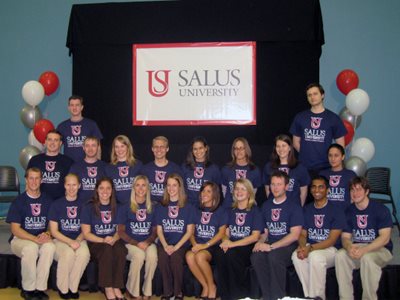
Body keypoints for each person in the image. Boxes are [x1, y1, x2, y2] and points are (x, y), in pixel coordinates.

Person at [335, 176, 393, 300]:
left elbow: (385, 238)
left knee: (367, 258)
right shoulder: (348, 211)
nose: (355, 193)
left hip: (380, 249)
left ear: (367, 191)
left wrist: (365, 250)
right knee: (340, 255)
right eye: (352, 190)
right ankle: (345, 298)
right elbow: (345, 237)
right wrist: (349, 246)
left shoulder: (381, 209)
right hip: (358, 247)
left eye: (359, 189)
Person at [251, 170, 303, 300]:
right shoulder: (266, 206)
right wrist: (260, 242)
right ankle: (267, 296)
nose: (275, 187)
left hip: (289, 245)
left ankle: (278, 297)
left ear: (286, 186)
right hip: (272, 243)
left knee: (274, 256)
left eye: (279, 184)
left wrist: (272, 247)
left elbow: (295, 235)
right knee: (256, 256)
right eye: (273, 184)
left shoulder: (294, 206)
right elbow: (265, 233)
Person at [291, 176, 345, 300]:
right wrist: (303, 247)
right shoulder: (307, 209)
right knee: (296, 256)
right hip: (311, 247)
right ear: (310, 190)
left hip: (331, 250)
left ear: (328, 190)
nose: (317, 190)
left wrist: (310, 249)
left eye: (321, 187)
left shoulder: (336, 210)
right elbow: (303, 234)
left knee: (315, 257)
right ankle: (310, 296)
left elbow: (331, 240)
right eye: (314, 187)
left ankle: (318, 297)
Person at [6, 167, 55, 300]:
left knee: (50, 247)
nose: (34, 181)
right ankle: (28, 289)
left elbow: (51, 226)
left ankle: (40, 288)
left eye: (37, 178)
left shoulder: (48, 200)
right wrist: (34, 239)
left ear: (42, 180)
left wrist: (48, 234)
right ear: (26, 180)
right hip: (20, 240)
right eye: (31, 178)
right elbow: (15, 229)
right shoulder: (18, 202)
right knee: (31, 248)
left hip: (40, 238)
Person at [214, 178, 263, 300]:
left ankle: (239, 295)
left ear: (249, 193)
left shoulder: (255, 211)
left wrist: (232, 244)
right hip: (232, 245)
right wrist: (226, 241)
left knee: (231, 255)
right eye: (237, 189)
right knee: (220, 254)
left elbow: (255, 236)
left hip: (247, 246)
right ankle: (225, 295)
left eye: (243, 189)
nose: (239, 191)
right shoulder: (230, 210)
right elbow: (225, 232)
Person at [81, 177, 127, 300]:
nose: (105, 191)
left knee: (121, 251)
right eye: (101, 188)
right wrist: (103, 240)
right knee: (106, 250)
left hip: (113, 240)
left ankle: (116, 286)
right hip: (96, 242)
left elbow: (120, 230)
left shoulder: (118, 207)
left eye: (108, 188)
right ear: (96, 190)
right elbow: (86, 233)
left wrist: (114, 238)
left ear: (112, 190)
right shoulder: (88, 207)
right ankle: (107, 287)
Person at [290, 83, 347, 176]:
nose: (312, 97)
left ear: (322, 95)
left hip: (326, 167)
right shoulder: (300, 117)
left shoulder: (333, 118)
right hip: (304, 167)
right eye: (309, 95)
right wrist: (307, 155)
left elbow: (341, 145)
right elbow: (296, 142)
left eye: (315, 94)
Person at [48, 173, 90, 299]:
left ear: (79, 186)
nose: (71, 188)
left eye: (74, 185)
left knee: (84, 254)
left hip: (79, 238)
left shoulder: (85, 205)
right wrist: (69, 242)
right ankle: (63, 288)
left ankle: (73, 287)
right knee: (68, 254)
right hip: (60, 240)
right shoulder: (56, 204)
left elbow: (87, 228)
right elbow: (54, 231)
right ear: (64, 186)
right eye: (68, 185)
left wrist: (77, 240)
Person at [155, 174, 195, 300]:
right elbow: (159, 230)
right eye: (168, 185)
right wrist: (166, 246)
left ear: (179, 187)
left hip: (181, 244)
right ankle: (168, 292)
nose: (171, 188)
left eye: (174, 185)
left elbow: (189, 232)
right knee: (162, 258)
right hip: (164, 243)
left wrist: (176, 247)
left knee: (176, 259)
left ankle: (178, 292)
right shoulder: (161, 206)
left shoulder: (188, 206)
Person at [117, 175, 157, 300]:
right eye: (137, 185)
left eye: (143, 185)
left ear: (148, 188)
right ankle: (132, 292)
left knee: (152, 256)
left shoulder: (153, 206)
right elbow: (121, 231)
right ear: (133, 187)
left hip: (148, 242)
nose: (140, 188)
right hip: (130, 244)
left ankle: (147, 291)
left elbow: (155, 232)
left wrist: (146, 242)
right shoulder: (125, 206)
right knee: (139, 256)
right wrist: (136, 243)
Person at [186, 182, 227, 300]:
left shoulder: (221, 211)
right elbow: (191, 232)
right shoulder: (195, 209)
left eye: (208, 191)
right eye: (203, 191)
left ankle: (212, 286)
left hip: (212, 245)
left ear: (215, 194)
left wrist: (205, 245)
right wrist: (195, 244)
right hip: (197, 244)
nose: (204, 194)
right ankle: (205, 286)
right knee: (189, 256)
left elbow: (221, 233)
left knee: (199, 257)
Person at [263, 134, 310, 206]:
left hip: (293, 209)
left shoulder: (300, 167)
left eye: (284, 146)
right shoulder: (269, 167)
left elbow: (303, 192)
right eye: (278, 146)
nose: (281, 149)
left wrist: (298, 209)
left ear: (290, 148)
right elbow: (267, 190)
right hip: (274, 209)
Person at [27, 130, 73, 200]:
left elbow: (72, 185)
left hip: (59, 202)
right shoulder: (35, 160)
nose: (52, 143)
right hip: (39, 201)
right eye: (49, 139)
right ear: (45, 142)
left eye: (56, 140)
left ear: (60, 143)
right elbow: (28, 183)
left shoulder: (68, 162)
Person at [57, 95, 103, 162]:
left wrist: (98, 164)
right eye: (72, 105)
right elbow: (58, 147)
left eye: (77, 105)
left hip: (87, 165)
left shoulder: (91, 124)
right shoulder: (62, 126)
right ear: (68, 108)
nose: (74, 108)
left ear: (82, 107)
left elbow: (98, 147)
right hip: (68, 165)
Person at [221, 137, 262, 208]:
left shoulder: (254, 170)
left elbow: (253, 192)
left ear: (247, 150)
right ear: (233, 151)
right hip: (229, 208)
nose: (238, 151)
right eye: (236, 148)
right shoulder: (226, 169)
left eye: (241, 148)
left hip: (247, 208)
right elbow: (224, 190)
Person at [141, 136, 182, 203]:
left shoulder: (176, 169)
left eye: (162, 147)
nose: (159, 149)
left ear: (167, 149)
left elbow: (181, 192)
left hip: (168, 208)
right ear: (152, 149)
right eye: (156, 147)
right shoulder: (145, 169)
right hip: (150, 208)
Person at [181, 136, 221, 206]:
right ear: (192, 151)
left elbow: (217, 191)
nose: (198, 151)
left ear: (206, 148)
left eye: (201, 148)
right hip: (188, 206)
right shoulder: (185, 167)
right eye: (195, 149)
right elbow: (181, 188)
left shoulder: (214, 169)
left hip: (206, 206)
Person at [105, 135, 143, 204]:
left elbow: (144, 188)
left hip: (135, 206)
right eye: (117, 147)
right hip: (117, 207)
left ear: (128, 147)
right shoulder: (109, 168)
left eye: (122, 146)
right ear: (114, 149)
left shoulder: (138, 165)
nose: (120, 150)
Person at [69, 136, 106, 202]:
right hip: (81, 206)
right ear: (83, 148)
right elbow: (69, 188)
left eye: (93, 145)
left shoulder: (105, 167)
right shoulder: (75, 167)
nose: (90, 149)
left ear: (98, 147)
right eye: (87, 145)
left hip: (99, 206)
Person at [319, 143, 356, 209]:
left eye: (336, 155)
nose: (333, 159)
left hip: (344, 214)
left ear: (342, 157)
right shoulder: (322, 174)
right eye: (330, 155)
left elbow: (355, 197)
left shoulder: (350, 175)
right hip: (326, 213)